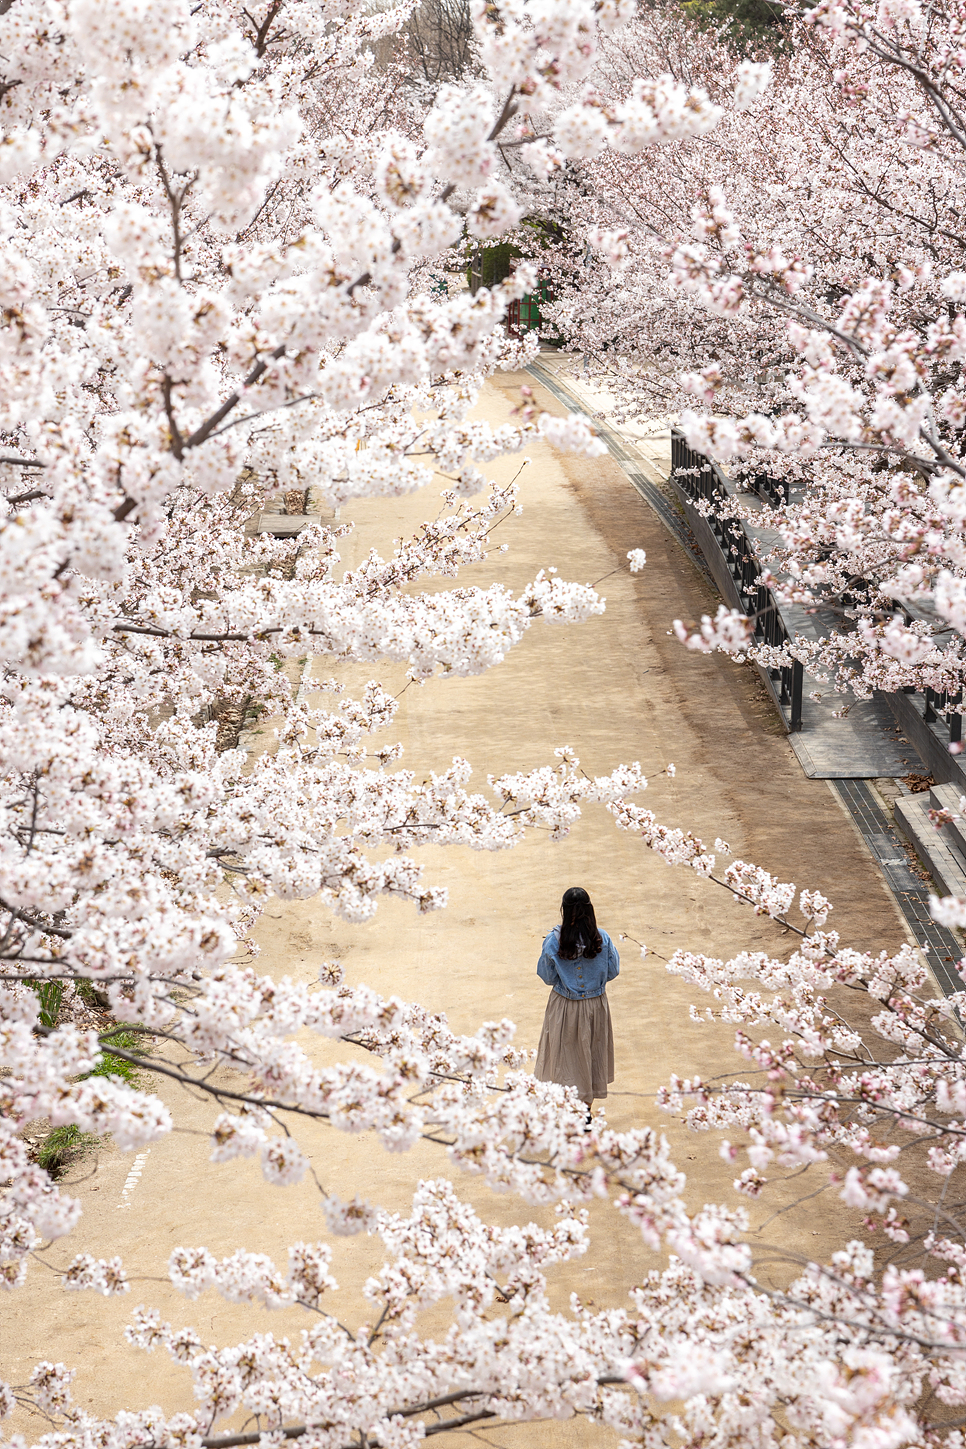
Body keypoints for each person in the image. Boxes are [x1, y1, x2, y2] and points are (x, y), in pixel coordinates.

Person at [534, 886, 619, 1110]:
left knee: (564, 1059)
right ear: (590, 909)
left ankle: (567, 1112)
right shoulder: (603, 939)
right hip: (595, 1006)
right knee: (590, 1058)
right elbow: (613, 971)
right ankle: (585, 1113)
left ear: (564, 910)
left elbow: (547, 977)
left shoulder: (553, 941)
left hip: (565, 1006)